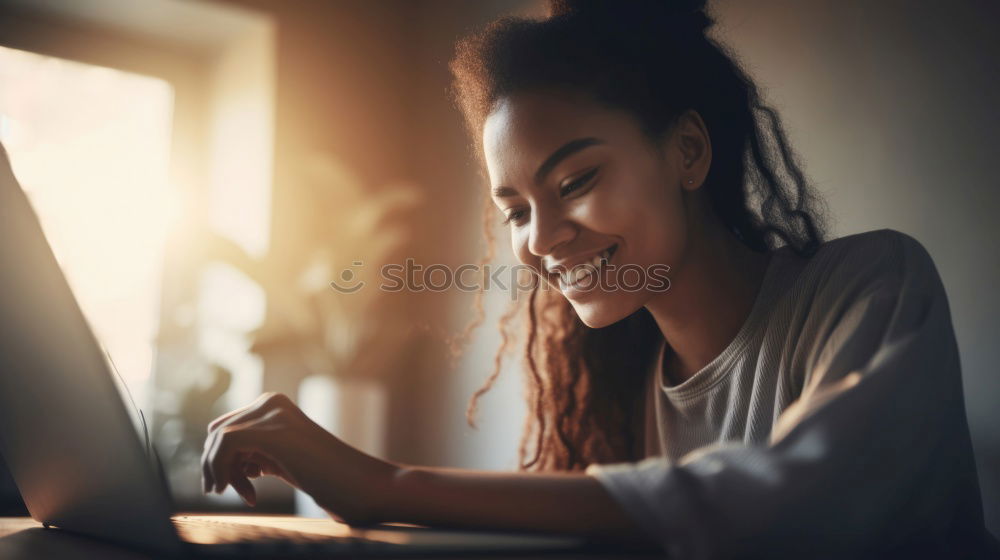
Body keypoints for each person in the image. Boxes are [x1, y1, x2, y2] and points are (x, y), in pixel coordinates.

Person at [201, 1, 995, 557]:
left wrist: (385, 485)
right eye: (515, 209)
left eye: (575, 181)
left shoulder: (873, 281)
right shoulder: (622, 384)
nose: (542, 240)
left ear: (688, 151)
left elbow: (795, 508)